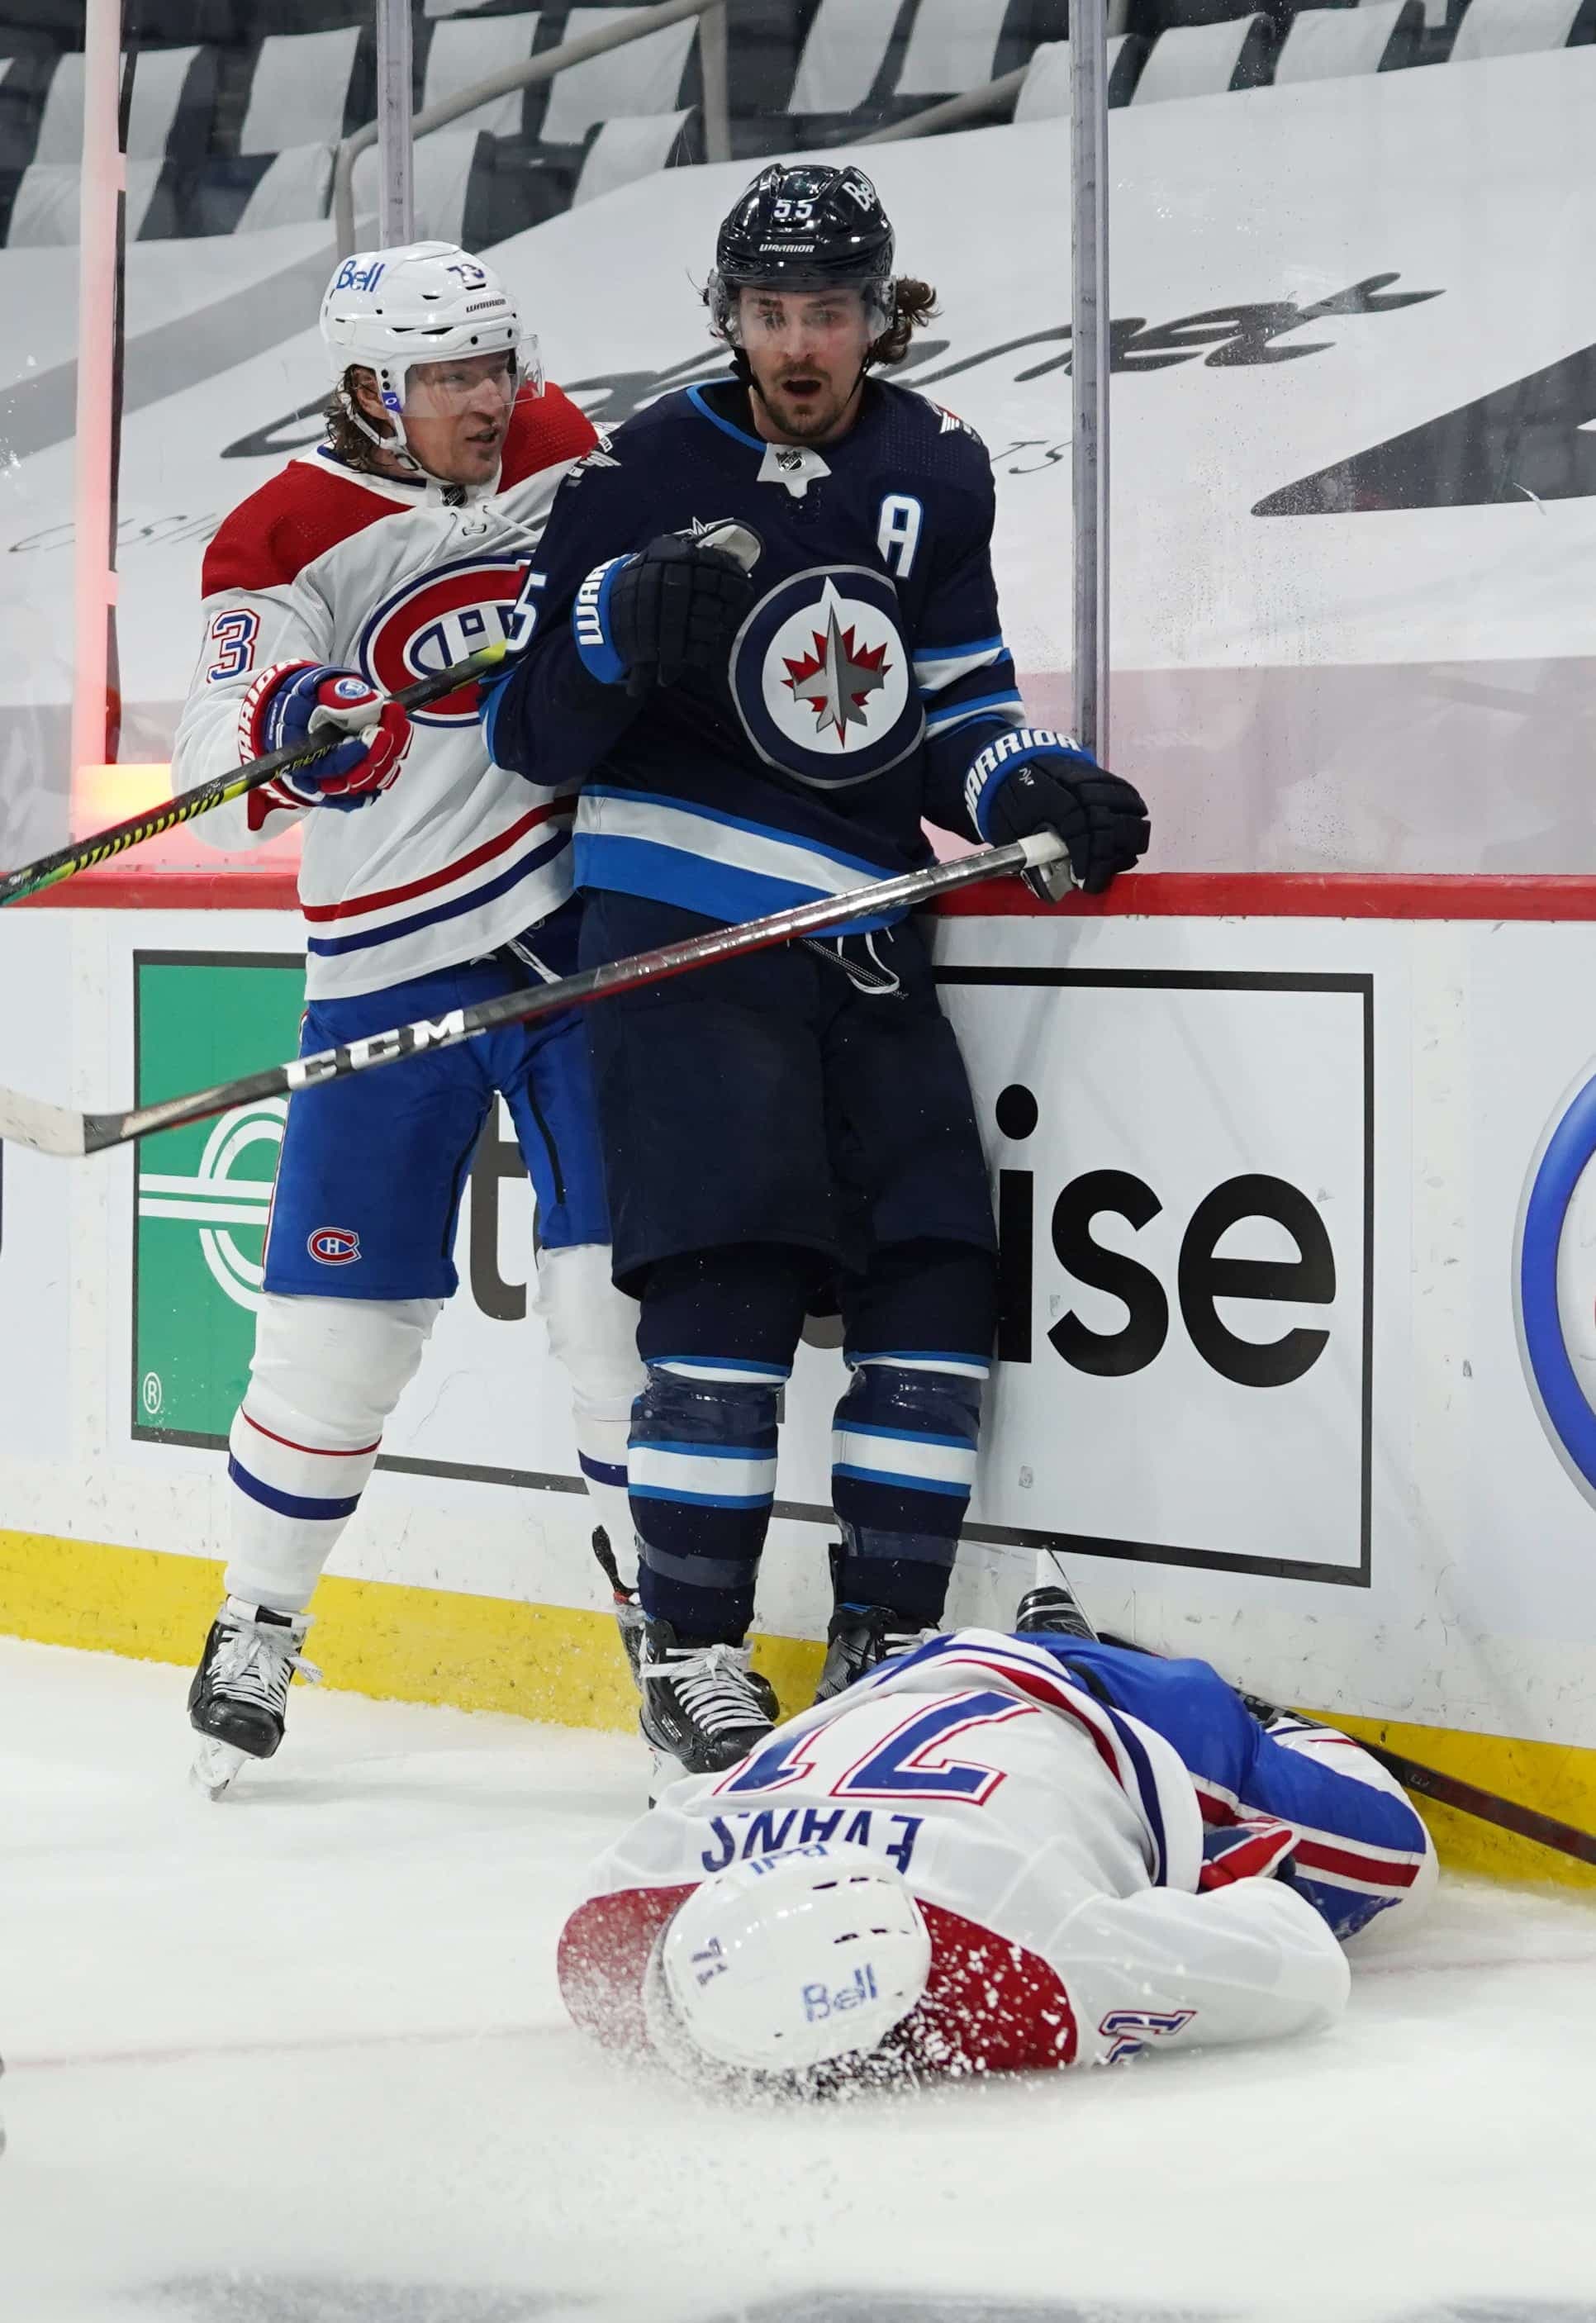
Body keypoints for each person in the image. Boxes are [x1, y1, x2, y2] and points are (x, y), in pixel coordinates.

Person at [480, 164, 1151, 1786]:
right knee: (726, 1290)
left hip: (865, 949)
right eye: (774, 313)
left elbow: (955, 712)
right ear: (731, 313)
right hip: (685, 954)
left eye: (829, 312)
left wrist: (1035, 785)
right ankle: (695, 1650)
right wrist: (609, 624)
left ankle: (886, 1643)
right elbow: (524, 737)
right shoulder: (634, 473)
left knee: (932, 1287)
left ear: (875, 310)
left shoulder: (935, 464)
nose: (801, 341)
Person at [171, 240, 644, 1795]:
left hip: (571, 937)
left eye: (493, 369)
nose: (481, 403)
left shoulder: (569, 450)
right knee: (333, 1336)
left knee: (614, 1305)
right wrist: (290, 729)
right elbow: (219, 734)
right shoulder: (283, 530)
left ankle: (671, 1621)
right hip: (384, 960)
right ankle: (258, 1613)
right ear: (371, 388)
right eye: (445, 380)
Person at [557, 1597, 1437, 2087]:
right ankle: (1048, 1630)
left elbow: (1301, 1961)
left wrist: (1200, 1879)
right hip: (892, 1691)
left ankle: (1256, 1720)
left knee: (1400, 1861)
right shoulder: (653, 1865)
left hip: (1124, 1714)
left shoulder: (1042, 1938)